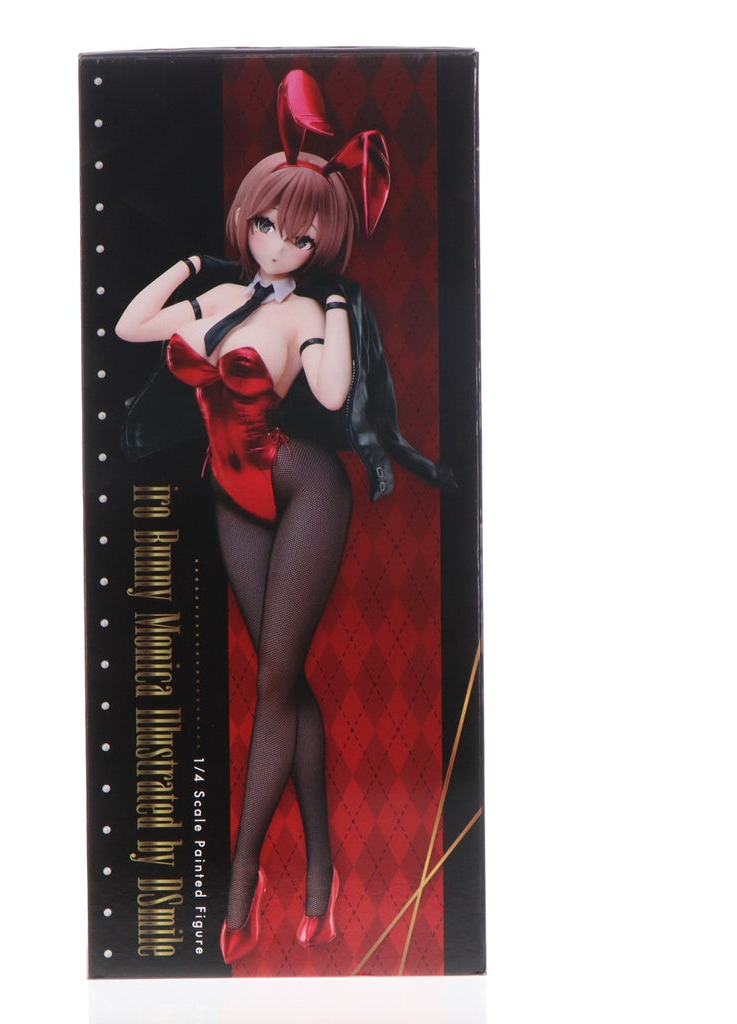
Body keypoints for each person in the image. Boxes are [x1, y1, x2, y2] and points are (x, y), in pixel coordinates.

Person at [115, 70, 454, 965]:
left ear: (320, 246)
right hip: (233, 494)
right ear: (248, 220)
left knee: (274, 680)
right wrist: (196, 265)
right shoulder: (220, 298)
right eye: (267, 225)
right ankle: (324, 872)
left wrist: (335, 306)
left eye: (302, 236)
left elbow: (334, 395)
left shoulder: (308, 308)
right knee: (285, 680)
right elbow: (130, 326)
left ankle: (242, 878)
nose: (278, 245)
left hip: (306, 487)